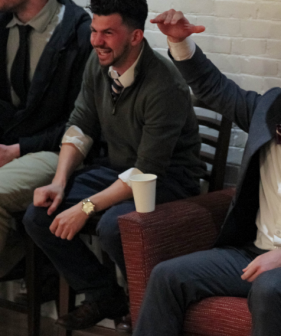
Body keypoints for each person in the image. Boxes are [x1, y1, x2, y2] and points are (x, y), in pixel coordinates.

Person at [132, 9, 281, 336]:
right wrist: (179, 41)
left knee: (270, 288)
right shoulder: (269, 110)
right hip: (247, 251)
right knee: (166, 275)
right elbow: (214, 87)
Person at [22, 0, 206, 330]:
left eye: (107, 33)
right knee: (38, 215)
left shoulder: (165, 85)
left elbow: (147, 169)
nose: (96, 41)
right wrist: (60, 182)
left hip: (167, 181)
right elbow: (80, 125)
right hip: (118, 170)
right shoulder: (99, 63)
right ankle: (105, 295)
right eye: (94, 31)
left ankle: (146, 310)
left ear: (135, 37)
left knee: (111, 224)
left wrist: (86, 207)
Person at [0, 0, 91, 279]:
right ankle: (25, 253)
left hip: (56, 150)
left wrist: (18, 149)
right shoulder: (4, 24)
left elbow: (82, 121)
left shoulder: (80, 32)